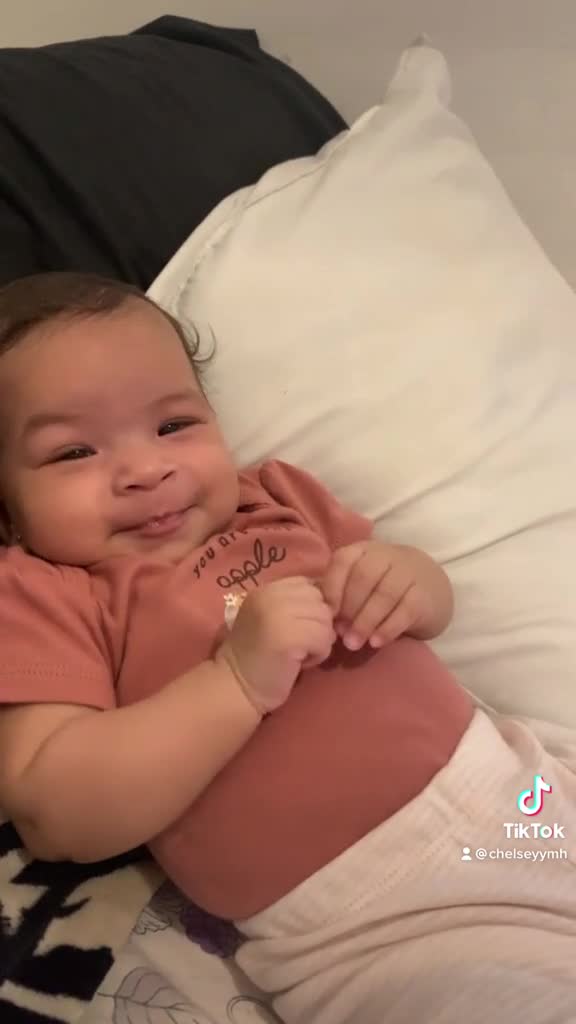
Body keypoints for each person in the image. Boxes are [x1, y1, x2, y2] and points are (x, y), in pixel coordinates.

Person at [0, 272, 573, 1024]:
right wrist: (234, 681)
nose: (147, 469)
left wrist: (409, 581)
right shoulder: (46, 591)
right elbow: (56, 813)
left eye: (174, 425)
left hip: (527, 794)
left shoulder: (275, 498)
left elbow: (427, 609)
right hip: (378, 922)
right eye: (74, 451)